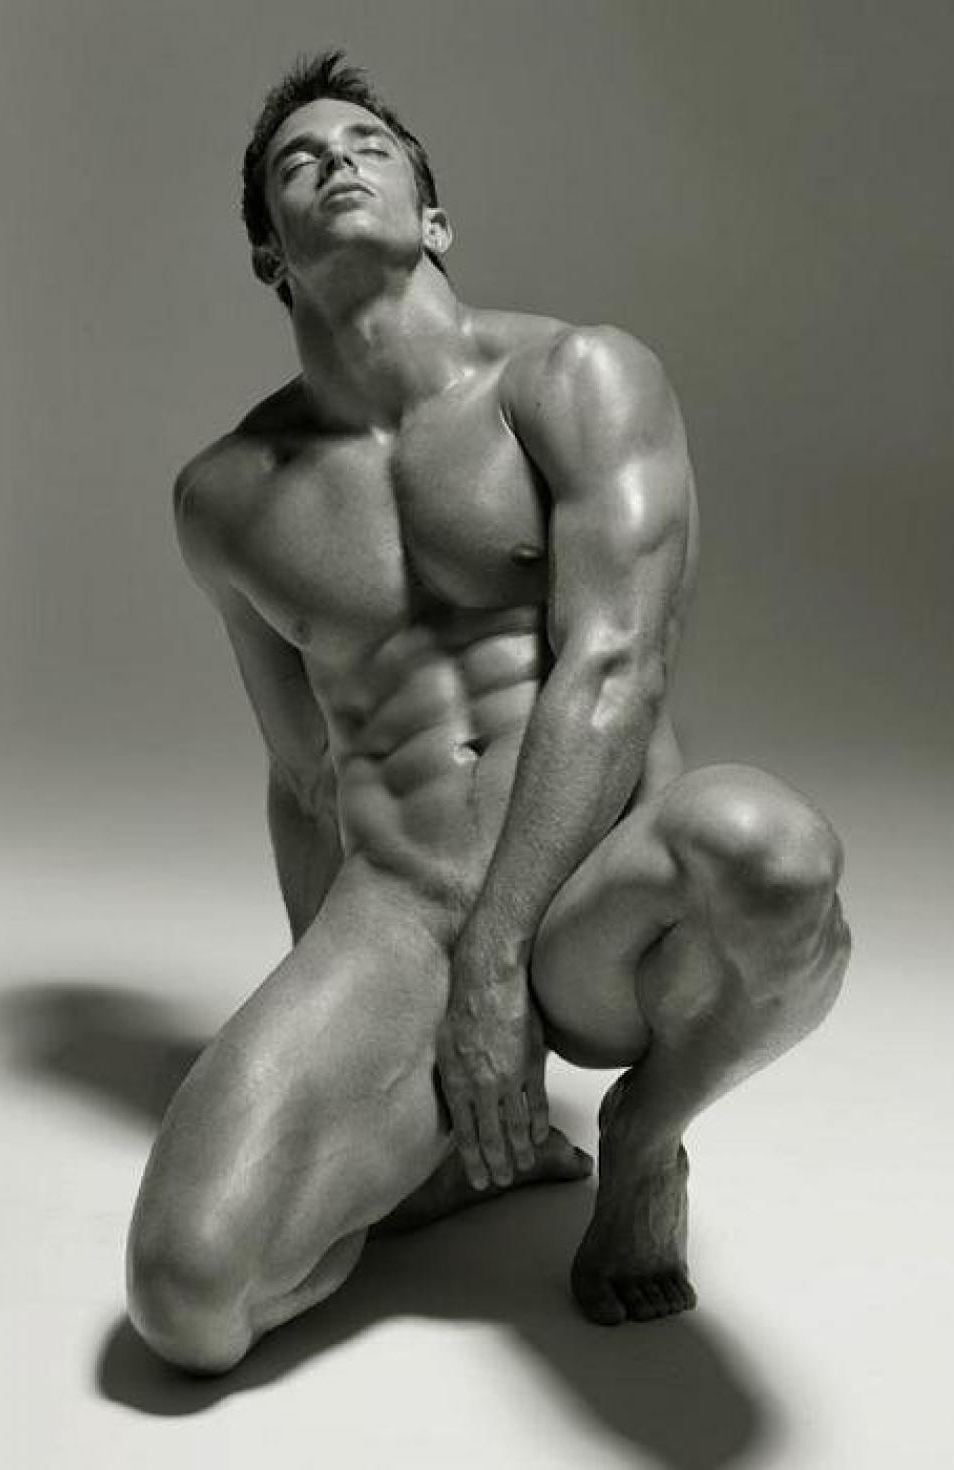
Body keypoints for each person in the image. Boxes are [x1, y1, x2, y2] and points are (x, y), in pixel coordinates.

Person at [126, 51, 851, 1374]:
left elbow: (615, 667)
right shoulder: (225, 500)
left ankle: (643, 1139)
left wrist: (498, 964)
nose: (336, 161)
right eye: (298, 162)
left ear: (436, 217)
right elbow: (304, 777)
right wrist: (347, 1025)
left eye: (369, 146)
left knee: (774, 853)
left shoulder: (577, 379)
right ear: (271, 256)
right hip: (401, 914)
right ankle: (442, 1158)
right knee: (185, 1301)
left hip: (590, 895)